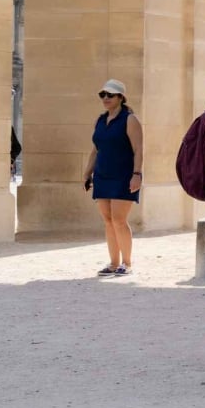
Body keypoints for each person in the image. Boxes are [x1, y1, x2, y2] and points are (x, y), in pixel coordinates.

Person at [82, 79, 143, 276]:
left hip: (123, 175)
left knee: (119, 219)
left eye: (110, 95)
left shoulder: (130, 119)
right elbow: (95, 150)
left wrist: (137, 175)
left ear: (120, 97)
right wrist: (87, 173)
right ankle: (113, 263)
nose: (106, 98)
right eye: (103, 95)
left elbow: (138, 149)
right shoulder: (100, 120)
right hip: (102, 174)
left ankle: (127, 263)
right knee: (108, 220)